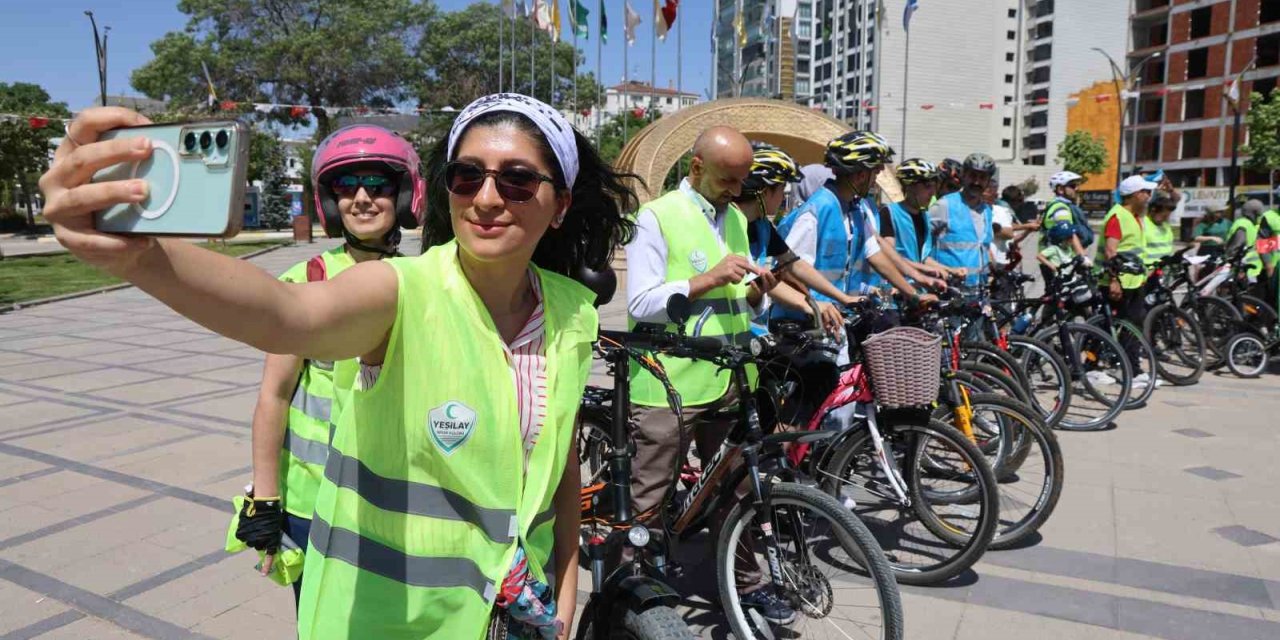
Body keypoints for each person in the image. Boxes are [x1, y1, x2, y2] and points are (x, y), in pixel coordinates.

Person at [39, 94, 638, 639]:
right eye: (466, 175)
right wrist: (142, 258)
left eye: (516, 180)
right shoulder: (397, 290)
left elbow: (557, 470)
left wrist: (563, 598)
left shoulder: (570, 313)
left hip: (511, 616)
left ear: (558, 205)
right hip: (380, 620)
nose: (485, 198)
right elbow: (286, 314)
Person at [240, 125, 420, 607]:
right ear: (329, 200)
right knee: (321, 619)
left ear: (403, 196)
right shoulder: (307, 280)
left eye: (378, 185)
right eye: (346, 187)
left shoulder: (421, 281)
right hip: (313, 499)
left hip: (391, 498)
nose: (362, 198)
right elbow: (274, 394)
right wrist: (265, 495)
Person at [625, 125, 797, 624]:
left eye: (742, 180)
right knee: (649, 497)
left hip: (731, 377)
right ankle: (633, 589)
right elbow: (641, 302)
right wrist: (709, 277)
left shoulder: (737, 220)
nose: (736, 190)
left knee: (738, 490)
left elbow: (737, 301)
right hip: (669, 383)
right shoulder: (655, 218)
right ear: (696, 167)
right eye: (727, 179)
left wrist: (758, 291)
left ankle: (744, 585)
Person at [776, 131, 935, 319]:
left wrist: (913, 295)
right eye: (875, 172)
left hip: (838, 315)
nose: (876, 179)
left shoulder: (856, 209)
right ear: (860, 175)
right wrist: (815, 306)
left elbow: (875, 254)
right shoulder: (817, 209)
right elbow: (790, 268)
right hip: (808, 320)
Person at [735, 144, 852, 336]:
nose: (783, 198)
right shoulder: (730, 224)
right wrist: (811, 305)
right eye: (781, 189)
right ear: (765, 192)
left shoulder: (762, 225)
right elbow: (763, 283)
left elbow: (794, 264)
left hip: (753, 328)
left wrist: (843, 298)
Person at [1097, 174, 1157, 388]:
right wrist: (1114, 281)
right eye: (1145, 192)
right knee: (1105, 326)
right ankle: (1093, 367)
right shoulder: (1117, 216)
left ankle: (1132, 369)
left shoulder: (1135, 216)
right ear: (1133, 195)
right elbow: (1111, 251)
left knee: (1133, 324)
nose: (1149, 195)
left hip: (1134, 281)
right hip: (1116, 282)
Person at [878, 158, 962, 279]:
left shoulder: (924, 216)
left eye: (934, 186)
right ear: (909, 186)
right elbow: (889, 256)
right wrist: (923, 269)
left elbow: (923, 258)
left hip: (921, 286)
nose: (933, 193)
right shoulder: (889, 213)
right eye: (928, 186)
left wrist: (951, 270)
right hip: (896, 287)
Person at [929, 152, 998, 288]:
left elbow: (982, 248)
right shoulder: (944, 205)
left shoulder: (987, 211)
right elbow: (919, 248)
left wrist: (995, 272)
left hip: (978, 292)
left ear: (988, 181)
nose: (977, 182)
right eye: (973, 175)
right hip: (948, 290)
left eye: (982, 177)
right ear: (964, 176)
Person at [988, 181, 1040, 268]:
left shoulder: (1005, 210)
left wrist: (1028, 230)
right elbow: (1007, 228)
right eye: (1020, 200)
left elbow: (1012, 238)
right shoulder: (1002, 209)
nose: (1021, 204)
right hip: (996, 260)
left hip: (1006, 259)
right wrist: (1027, 226)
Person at [1225, 199, 1266, 296]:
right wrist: (1237, 269)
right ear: (1254, 213)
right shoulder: (1243, 225)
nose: (1260, 216)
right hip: (1244, 270)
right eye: (1258, 214)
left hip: (1250, 271)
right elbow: (1236, 247)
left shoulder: (1251, 225)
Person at [1143, 190, 1177, 269]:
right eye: (1164, 216)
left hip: (1165, 270)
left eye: (1168, 216)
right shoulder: (1143, 224)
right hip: (1149, 270)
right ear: (1153, 210)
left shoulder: (1165, 225)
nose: (1166, 219)